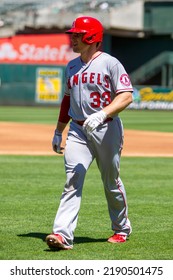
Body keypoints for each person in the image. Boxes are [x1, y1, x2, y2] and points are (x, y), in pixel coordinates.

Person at [46, 16, 133, 250]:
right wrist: (58, 131)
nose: (73, 38)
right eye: (73, 34)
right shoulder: (71, 65)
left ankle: (122, 227)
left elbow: (126, 95)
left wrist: (103, 113)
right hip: (77, 130)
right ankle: (62, 234)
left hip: (106, 128)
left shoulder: (110, 63)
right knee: (72, 179)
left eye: (77, 34)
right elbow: (66, 100)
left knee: (110, 181)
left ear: (92, 38)